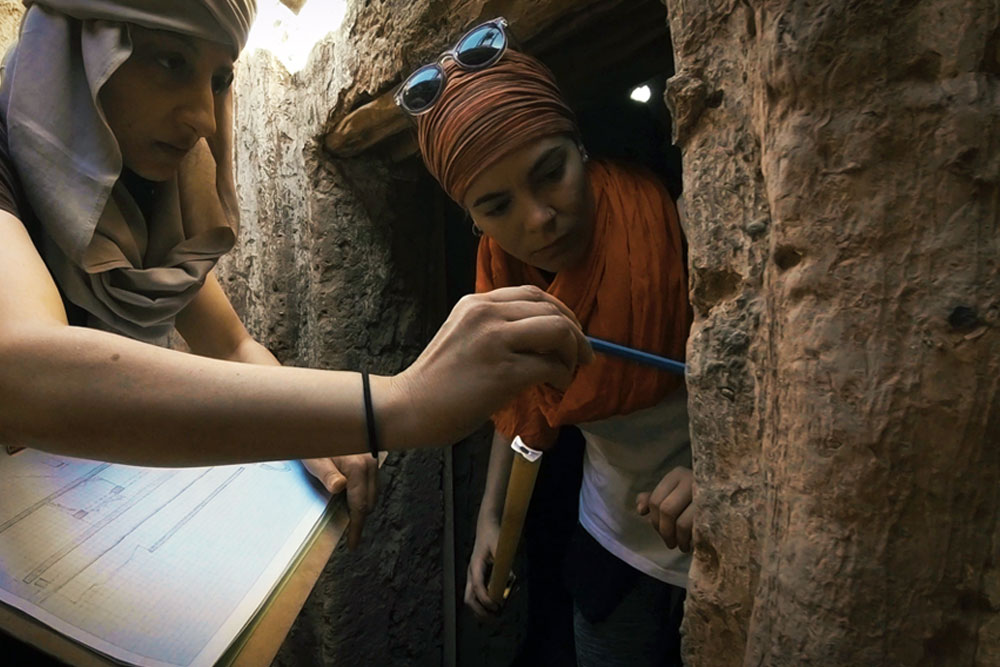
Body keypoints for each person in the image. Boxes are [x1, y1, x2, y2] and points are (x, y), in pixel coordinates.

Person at [0, 0, 593, 552]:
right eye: (170, 61)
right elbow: (21, 371)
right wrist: (395, 402)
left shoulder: (147, 209)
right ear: (77, 44)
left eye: (219, 79)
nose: (204, 118)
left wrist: (312, 433)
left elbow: (232, 344)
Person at [399, 18, 694, 666]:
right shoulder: (502, 274)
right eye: (497, 206)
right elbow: (524, 401)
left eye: (550, 170)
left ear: (580, 145)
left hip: (722, 534)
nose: (537, 218)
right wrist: (491, 522)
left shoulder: (679, 217)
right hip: (609, 544)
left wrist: (727, 475)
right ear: (472, 220)